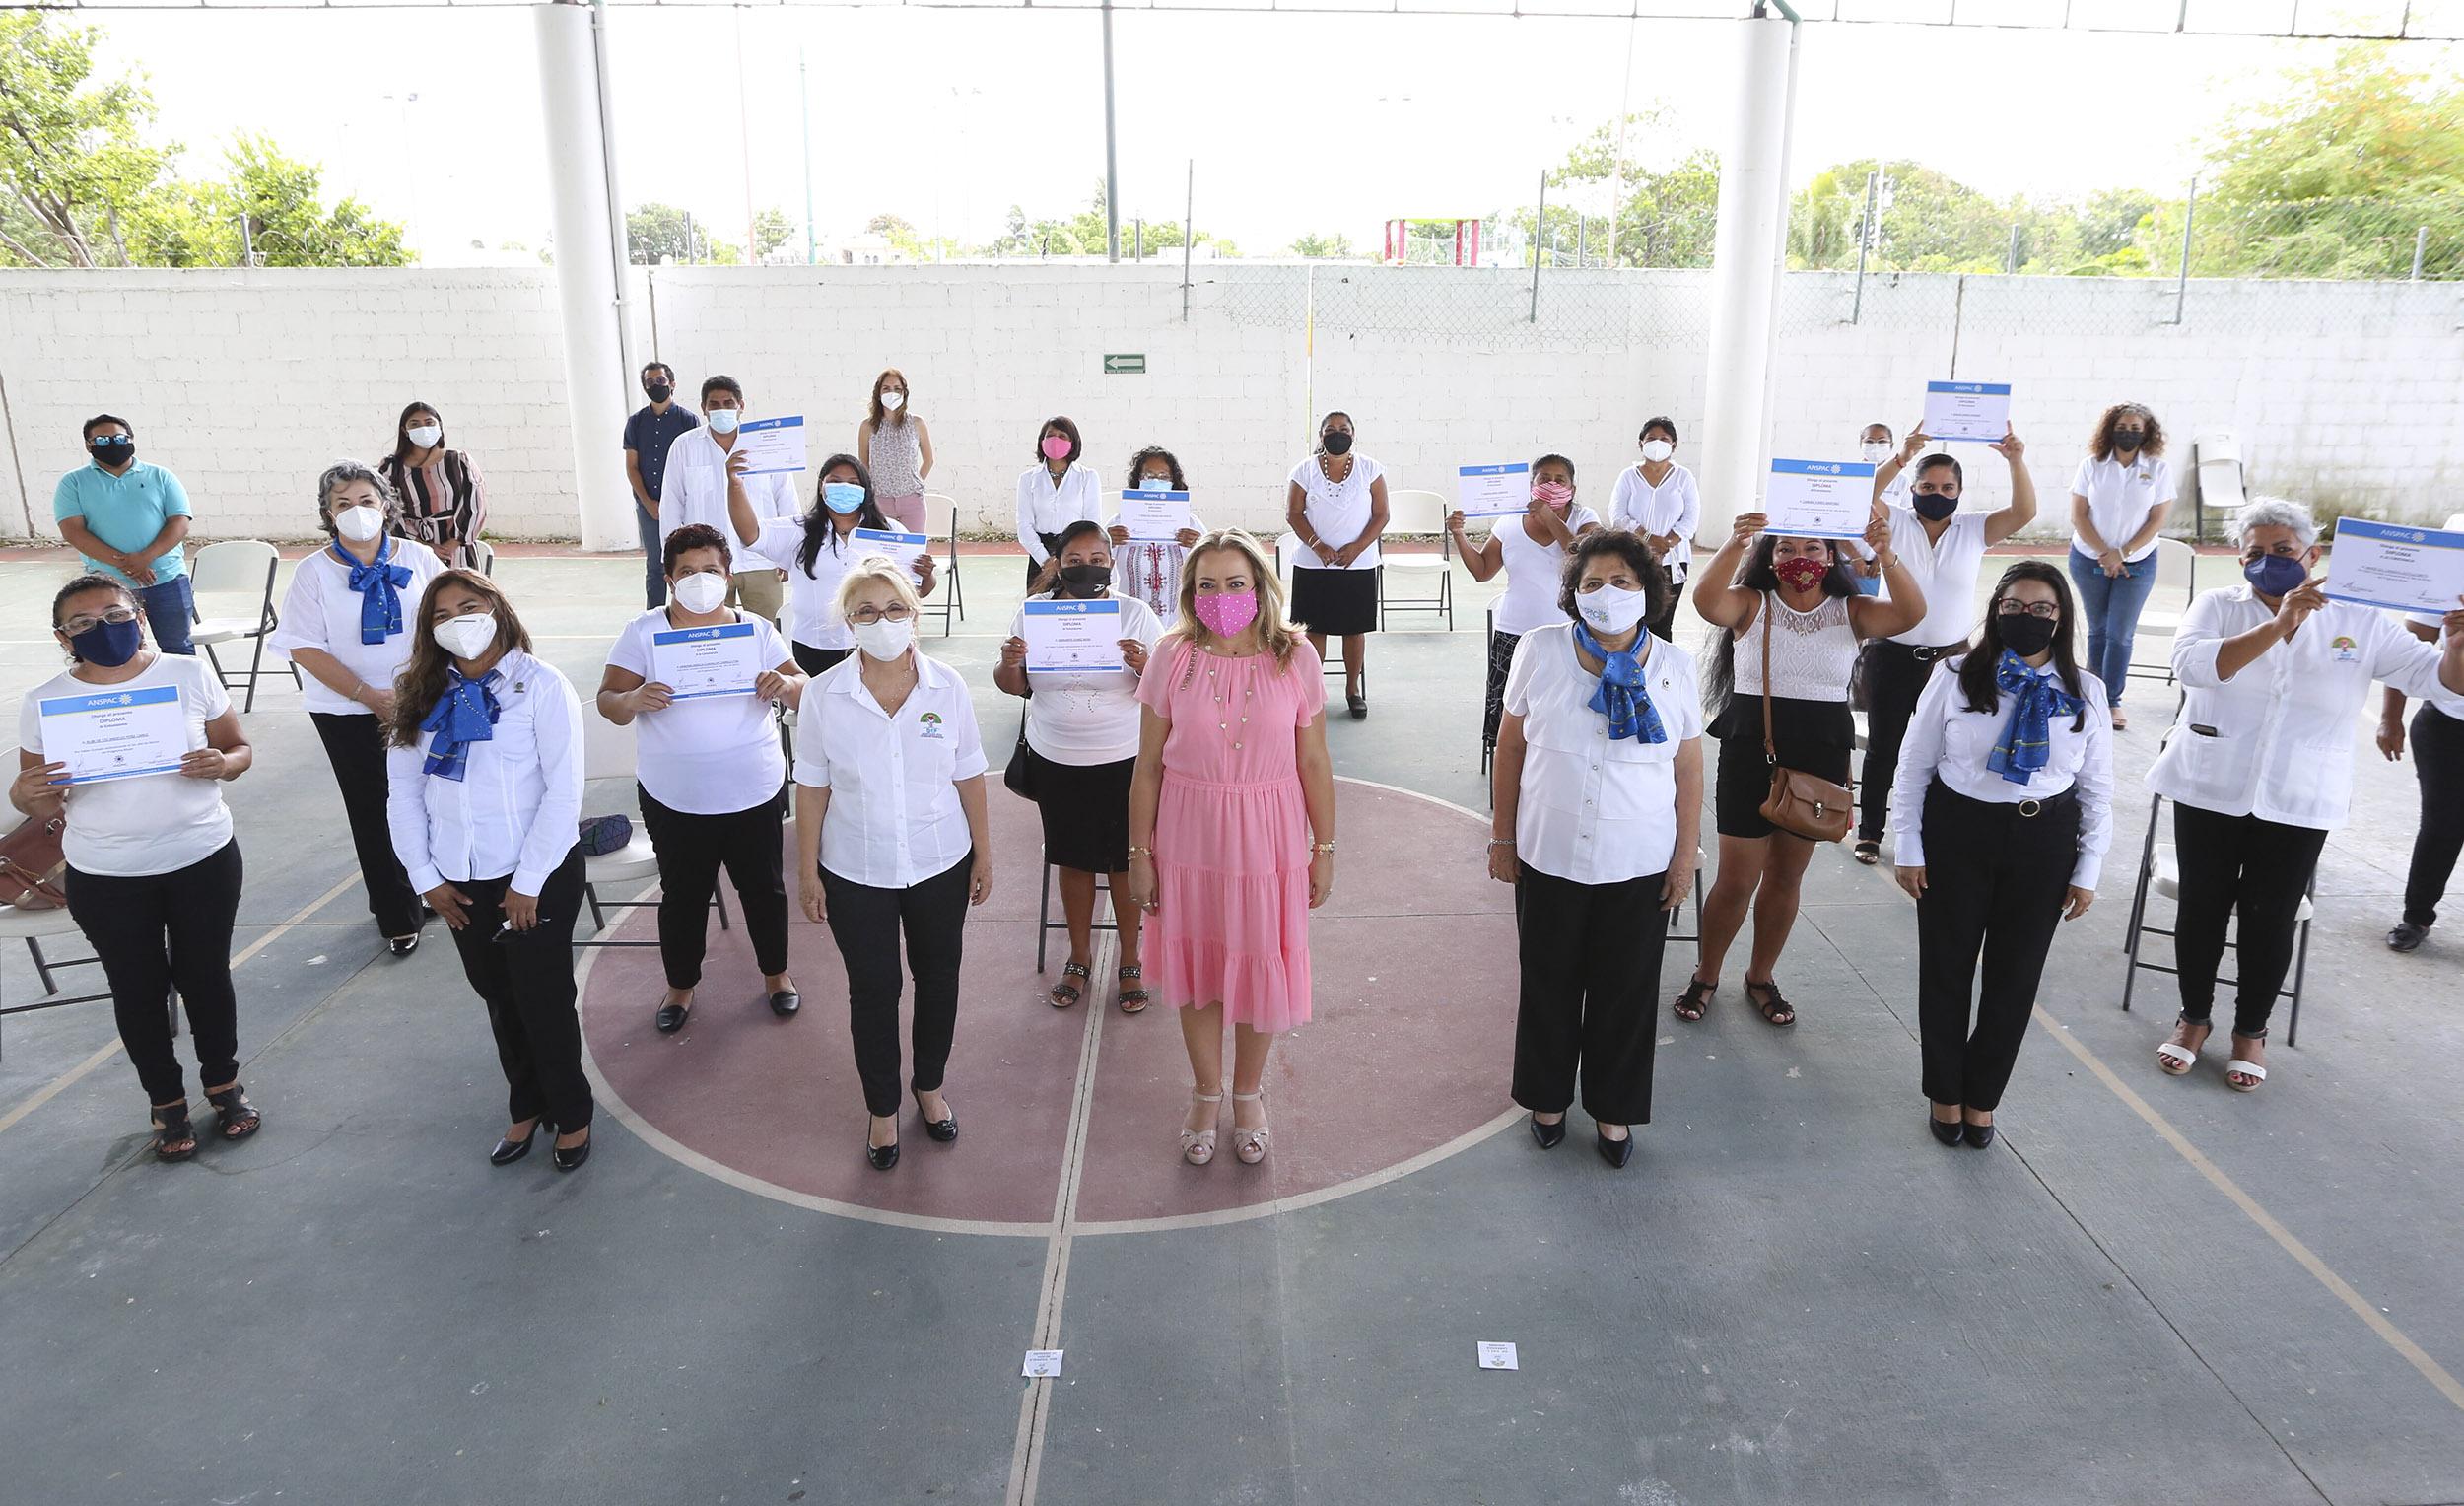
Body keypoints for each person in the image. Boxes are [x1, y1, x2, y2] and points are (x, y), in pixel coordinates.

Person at [2147, 499, 2464, 1093]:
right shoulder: (2217, 606)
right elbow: (2195, 668)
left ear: (2313, 556)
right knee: (2202, 909)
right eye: (2255, 554)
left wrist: (2456, 649)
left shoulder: (2361, 620)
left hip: (2298, 795)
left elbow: (2439, 686)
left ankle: (2251, 1032)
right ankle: (2193, 1018)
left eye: (2283, 552)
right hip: (2208, 785)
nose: (2268, 563)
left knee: (2270, 918)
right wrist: (2277, 625)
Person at [13, 575, 256, 1162]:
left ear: (141, 616)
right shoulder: (44, 701)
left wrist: (220, 764)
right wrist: (28, 794)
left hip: (200, 856)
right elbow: (41, 803)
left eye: (116, 614)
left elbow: (240, 749)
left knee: (205, 976)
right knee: (138, 988)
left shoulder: (187, 673)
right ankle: (165, 1101)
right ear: (62, 637)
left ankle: (224, 1084)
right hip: (106, 872)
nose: (104, 628)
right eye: (84, 623)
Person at [1488, 530, 1702, 1168]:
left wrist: (1684, 854)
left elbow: (1689, 768)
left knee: (1626, 992)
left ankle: (1614, 1110)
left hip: (1637, 861)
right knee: (1548, 982)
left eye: (1623, 582)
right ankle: (1547, 1099)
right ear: (1573, 595)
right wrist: (1502, 835)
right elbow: (1512, 747)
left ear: (1649, 592)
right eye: (1591, 584)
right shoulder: (1540, 650)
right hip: (1548, 853)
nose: (1607, 594)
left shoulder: (1675, 666)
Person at [1126, 530, 1336, 1167]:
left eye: (1235, 583)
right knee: (1199, 972)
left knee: (1259, 962)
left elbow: (1314, 760)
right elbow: (1148, 767)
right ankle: (1205, 1092)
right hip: (1189, 831)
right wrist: (1140, 852)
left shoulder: (1296, 656)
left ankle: (1248, 1094)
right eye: (1207, 585)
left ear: (1261, 588)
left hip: (1269, 834)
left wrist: (1322, 846)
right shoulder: (1172, 656)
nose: (1221, 596)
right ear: (1190, 593)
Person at [1889, 560, 2112, 1148]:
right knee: (1946, 969)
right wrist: (1907, 846)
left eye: (2043, 609)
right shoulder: (1956, 675)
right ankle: (1945, 1091)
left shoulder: (2086, 690)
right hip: (1957, 833)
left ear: (2061, 619)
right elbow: (1913, 766)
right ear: (1995, 611)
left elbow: (2097, 789)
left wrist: (2088, 868)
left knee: (2014, 979)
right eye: (2014, 606)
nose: (2028, 618)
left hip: (2044, 842)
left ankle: (1982, 1098)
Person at [1675, 513, 1924, 1027]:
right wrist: (1734, 541)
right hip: (1751, 751)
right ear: (1769, 558)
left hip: (1820, 754)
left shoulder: (1852, 611)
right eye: (1785, 549)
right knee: (1736, 879)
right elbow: (1704, 601)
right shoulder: (1750, 603)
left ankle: (1760, 976)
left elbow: (1910, 613)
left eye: (1813, 549)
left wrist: (1886, 553)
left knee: (1787, 877)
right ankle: (1707, 972)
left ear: (1832, 558)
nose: (1800, 560)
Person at [385, 570, 594, 1171]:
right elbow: (403, 795)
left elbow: (563, 791)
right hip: (457, 880)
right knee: (497, 997)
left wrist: (526, 883)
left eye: (468, 606)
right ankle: (526, 1103)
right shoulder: (418, 693)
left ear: (498, 609)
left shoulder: (541, 686)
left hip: (536, 872)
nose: (457, 621)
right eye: (442, 615)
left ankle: (571, 1112)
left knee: (542, 997)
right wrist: (425, 877)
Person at [793, 558, 992, 1171]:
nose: (883, 622)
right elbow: (812, 786)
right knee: (874, 990)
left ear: (914, 612)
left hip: (940, 860)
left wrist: (984, 851)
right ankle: (882, 1107)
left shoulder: (947, 686)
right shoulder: (825, 694)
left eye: (895, 609)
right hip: (855, 868)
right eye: (867, 612)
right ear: (847, 622)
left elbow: (968, 772)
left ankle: (927, 1086)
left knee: (939, 978)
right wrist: (807, 871)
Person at [599, 523, 807, 1035]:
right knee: (683, 895)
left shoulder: (756, 629)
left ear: (729, 575)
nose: (699, 580)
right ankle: (681, 986)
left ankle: (776, 975)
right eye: (687, 571)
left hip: (752, 789)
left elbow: (803, 687)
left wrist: (785, 684)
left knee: (763, 889)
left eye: (710, 570)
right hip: (675, 795)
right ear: (669, 578)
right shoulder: (644, 632)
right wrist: (632, 699)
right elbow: (609, 701)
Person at [268, 462, 448, 956]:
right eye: (342, 504)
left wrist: (417, 690)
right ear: (328, 514)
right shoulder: (314, 573)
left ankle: (433, 887)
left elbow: (448, 618)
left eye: (366, 501)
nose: (356, 512)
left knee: (431, 797)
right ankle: (396, 915)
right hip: (345, 710)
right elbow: (303, 647)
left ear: (386, 506)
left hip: (422, 700)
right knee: (373, 810)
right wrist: (370, 697)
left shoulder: (418, 557)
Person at [996, 520, 1166, 1011]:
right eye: (1074, 560)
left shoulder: (1135, 615)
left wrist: (1143, 666)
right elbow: (1013, 686)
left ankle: (1130, 960)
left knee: (1123, 860)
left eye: (1096, 559)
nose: (1085, 568)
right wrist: (1011, 662)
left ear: (1111, 563)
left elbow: (1166, 690)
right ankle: (1078, 956)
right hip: (1057, 757)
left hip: (1124, 759)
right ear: (1058, 564)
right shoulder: (1032, 614)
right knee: (1071, 859)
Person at [1851, 430, 2038, 865]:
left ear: (1960, 492)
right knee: (1885, 747)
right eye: (1928, 487)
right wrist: (1901, 458)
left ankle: (1929, 833)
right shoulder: (1893, 520)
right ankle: (1870, 833)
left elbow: (2025, 511)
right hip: (1892, 654)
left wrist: (2015, 459)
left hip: (1952, 660)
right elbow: (1858, 492)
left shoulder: (1974, 529)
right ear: (1913, 488)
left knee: (1945, 747)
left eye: (1947, 488)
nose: (1938, 494)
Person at [1448, 453, 1603, 762]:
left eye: (1561, 479)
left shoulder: (1584, 518)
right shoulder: (1508, 523)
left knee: (1562, 708)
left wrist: (1549, 518)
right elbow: (1482, 571)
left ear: (1572, 487)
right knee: (1509, 710)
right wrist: (1459, 535)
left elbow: (1582, 555)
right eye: (1544, 478)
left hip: (1568, 633)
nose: (1552, 484)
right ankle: (1507, 767)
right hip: (1514, 633)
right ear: (1530, 485)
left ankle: (1554, 765)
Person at [727, 454, 936, 678]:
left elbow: (918, 591)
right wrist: (736, 485)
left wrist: (927, 575)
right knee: (818, 709)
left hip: (877, 644)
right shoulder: (799, 530)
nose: (844, 488)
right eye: (835, 481)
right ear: (821, 486)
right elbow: (750, 534)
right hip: (815, 647)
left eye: (853, 483)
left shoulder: (890, 532)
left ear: (866, 489)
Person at [2067, 402, 2175, 730]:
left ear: (2147, 432)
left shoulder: (2158, 469)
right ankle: (2089, 694)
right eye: (2122, 427)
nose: (2128, 433)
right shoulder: (2092, 466)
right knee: (2098, 630)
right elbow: (2078, 515)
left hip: (2138, 563)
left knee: (2120, 634)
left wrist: (2123, 553)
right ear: (2110, 428)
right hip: (2089, 558)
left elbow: (2157, 519)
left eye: (2135, 428)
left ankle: (2111, 701)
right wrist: (2105, 553)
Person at [52, 415, 196, 655]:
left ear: (131, 439)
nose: (113, 444)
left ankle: (184, 694)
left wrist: (145, 558)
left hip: (166, 580)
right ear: (88, 445)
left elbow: (179, 522)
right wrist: (129, 564)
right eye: (102, 440)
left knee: (178, 648)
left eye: (119, 438)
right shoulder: (73, 483)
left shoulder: (161, 476)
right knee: (120, 651)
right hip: (107, 588)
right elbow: (73, 531)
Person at [658, 376, 797, 623]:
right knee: (709, 635)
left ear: (741, 406)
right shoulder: (684, 446)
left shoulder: (765, 445)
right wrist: (670, 560)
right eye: (714, 404)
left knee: (766, 635)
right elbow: (671, 504)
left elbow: (785, 498)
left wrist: (790, 552)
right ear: (703, 408)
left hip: (761, 559)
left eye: (728, 403)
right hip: (704, 566)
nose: (722, 409)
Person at [1284, 411, 1389, 720]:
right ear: (1321, 436)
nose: (1337, 433)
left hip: (1357, 565)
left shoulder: (1371, 469)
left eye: (1344, 429)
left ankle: (1352, 690)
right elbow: (1293, 513)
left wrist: (1357, 548)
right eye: (1330, 429)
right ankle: (1312, 691)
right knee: (1314, 631)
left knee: (1354, 631)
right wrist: (1317, 545)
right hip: (1312, 565)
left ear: (1353, 434)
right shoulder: (1304, 470)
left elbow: (1381, 515)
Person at [2379, 610, 2462, 953]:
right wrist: (2390, 717)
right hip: (2448, 725)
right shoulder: (2446, 578)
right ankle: (2416, 916)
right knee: (2443, 826)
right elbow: (2406, 653)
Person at [1608, 417, 1702, 640]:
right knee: (1632, 620)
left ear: (1674, 444)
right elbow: (1617, 515)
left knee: (1662, 624)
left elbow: (1691, 517)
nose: (1657, 443)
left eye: (1664, 439)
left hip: (1672, 559)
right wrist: (1648, 539)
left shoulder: (1683, 477)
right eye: (1651, 438)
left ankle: (1660, 671)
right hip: (1633, 557)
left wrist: (1667, 544)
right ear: (1641, 443)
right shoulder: (1628, 477)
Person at [624, 361, 701, 609]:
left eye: (660, 381)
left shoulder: (688, 420)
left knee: (688, 560)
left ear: (672, 384)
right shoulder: (635, 423)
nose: (655, 386)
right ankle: (655, 617)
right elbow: (632, 467)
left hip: (683, 506)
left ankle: (690, 610)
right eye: (649, 382)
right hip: (649, 508)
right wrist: (649, 503)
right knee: (655, 566)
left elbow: (694, 467)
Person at [380, 401, 488, 571]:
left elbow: (475, 502)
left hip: (458, 551)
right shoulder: (391, 468)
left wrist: (453, 543)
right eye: (415, 424)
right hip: (413, 550)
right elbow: (389, 509)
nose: (423, 428)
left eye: (429, 422)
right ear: (404, 431)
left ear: (439, 426)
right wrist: (423, 546)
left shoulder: (459, 461)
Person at [1109, 446, 1206, 620]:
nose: (1156, 481)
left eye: (1163, 477)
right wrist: (1107, 542)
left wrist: (1199, 545)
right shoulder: (1120, 522)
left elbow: (1212, 566)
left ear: (1173, 481)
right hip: (1131, 622)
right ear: (1138, 479)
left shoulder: (1190, 524)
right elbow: (1098, 568)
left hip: (1179, 622)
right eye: (1149, 476)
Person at [1016, 416, 1106, 591]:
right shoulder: (1027, 479)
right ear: (1042, 441)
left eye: (1062, 436)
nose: (1055, 440)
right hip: (1039, 554)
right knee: (1040, 610)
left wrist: (1072, 557)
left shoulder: (1087, 477)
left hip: (1077, 553)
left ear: (1073, 442)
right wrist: (1046, 561)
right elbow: (1024, 525)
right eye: (1050, 435)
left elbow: (1092, 523)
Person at [856, 368, 933, 533]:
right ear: (878, 393)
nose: (892, 393)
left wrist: (914, 483)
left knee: (913, 553)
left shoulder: (917, 423)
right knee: (883, 553)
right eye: (886, 389)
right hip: (880, 501)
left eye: (897, 389)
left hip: (912, 501)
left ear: (904, 393)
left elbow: (929, 460)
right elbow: (863, 462)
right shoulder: (867, 426)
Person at [1839, 422, 1907, 597]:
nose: (1875, 447)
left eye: (1882, 441)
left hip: (1883, 566)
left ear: (1891, 446)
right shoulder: (1847, 477)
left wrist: (1882, 556)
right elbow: (1834, 525)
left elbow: (1904, 523)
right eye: (1869, 441)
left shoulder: (1902, 481)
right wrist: (1855, 557)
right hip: (1848, 565)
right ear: (1861, 444)